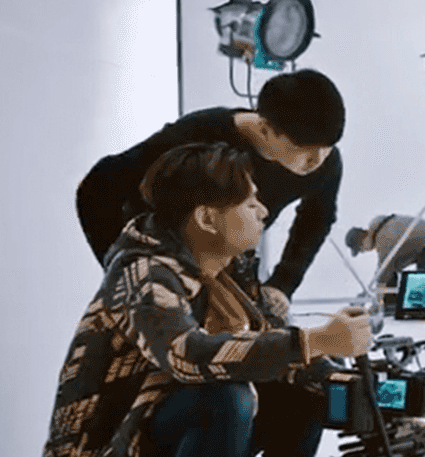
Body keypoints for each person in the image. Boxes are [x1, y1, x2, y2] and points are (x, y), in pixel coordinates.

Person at [34, 142, 372, 457]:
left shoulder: (228, 267)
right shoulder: (144, 273)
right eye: (249, 201)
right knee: (222, 397)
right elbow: (187, 356)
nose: (264, 210)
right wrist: (310, 341)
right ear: (207, 218)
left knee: (301, 388)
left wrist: (363, 392)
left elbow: (272, 347)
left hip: (157, 446)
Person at [77, 69, 345, 298]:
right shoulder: (200, 135)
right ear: (265, 128)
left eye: (328, 148)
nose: (318, 160)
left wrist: (282, 287)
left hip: (227, 272)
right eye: (306, 150)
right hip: (165, 263)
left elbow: (316, 219)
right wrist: (122, 269)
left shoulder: (324, 161)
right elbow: (98, 186)